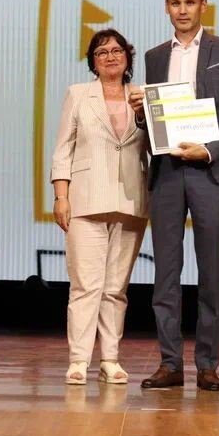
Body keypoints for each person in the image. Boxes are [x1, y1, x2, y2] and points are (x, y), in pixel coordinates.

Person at [128, 0, 219, 391]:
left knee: (210, 272)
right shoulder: (154, 56)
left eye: (190, 2)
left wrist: (209, 149)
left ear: (203, 6)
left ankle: (207, 364)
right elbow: (153, 123)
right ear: (166, 7)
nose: (182, 10)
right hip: (166, 172)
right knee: (166, 272)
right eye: (175, 3)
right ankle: (170, 363)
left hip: (209, 172)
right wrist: (142, 113)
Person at [51, 29, 149, 385]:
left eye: (117, 50)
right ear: (93, 61)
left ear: (128, 57)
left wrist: (144, 116)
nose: (110, 56)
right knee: (85, 286)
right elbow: (64, 147)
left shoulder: (142, 96)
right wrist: (61, 196)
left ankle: (110, 359)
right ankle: (79, 360)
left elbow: (156, 145)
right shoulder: (78, 94)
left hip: (131, 199)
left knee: (115, 288)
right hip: (86, 199)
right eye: (102, 52)